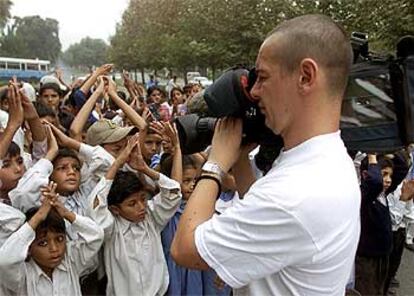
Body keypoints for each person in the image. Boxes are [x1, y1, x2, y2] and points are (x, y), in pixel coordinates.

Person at [171, 14, 360, 295]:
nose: (256, 92)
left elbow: (184, 248)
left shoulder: (297, 194)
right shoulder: (327, 160)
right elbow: (263, 210)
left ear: (306, 77)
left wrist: (216, 164)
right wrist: (239, 159)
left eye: (262, 77)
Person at [0, 182, 104, 296]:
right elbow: (5, 261)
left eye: (59, 239)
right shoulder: (21, 276)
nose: (54, 249)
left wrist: (66, 213)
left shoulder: (71, 260)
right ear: (28, 248)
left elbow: (96, 235)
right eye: (43, 243)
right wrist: (39, 216)